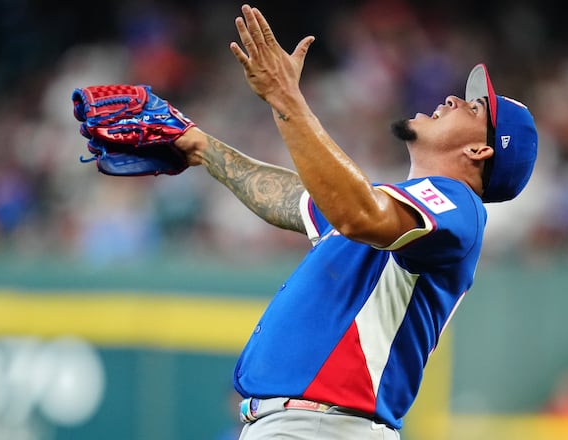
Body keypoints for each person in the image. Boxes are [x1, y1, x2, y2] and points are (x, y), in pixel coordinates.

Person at [172, 4, 538, 439]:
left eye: (475, 108)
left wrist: (285, 96)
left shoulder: (457, 205)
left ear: (480, 152)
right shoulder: (398, 209)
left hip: (327, 426)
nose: (454, 99)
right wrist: (200, 147)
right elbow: (293, 198)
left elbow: (354, 213)